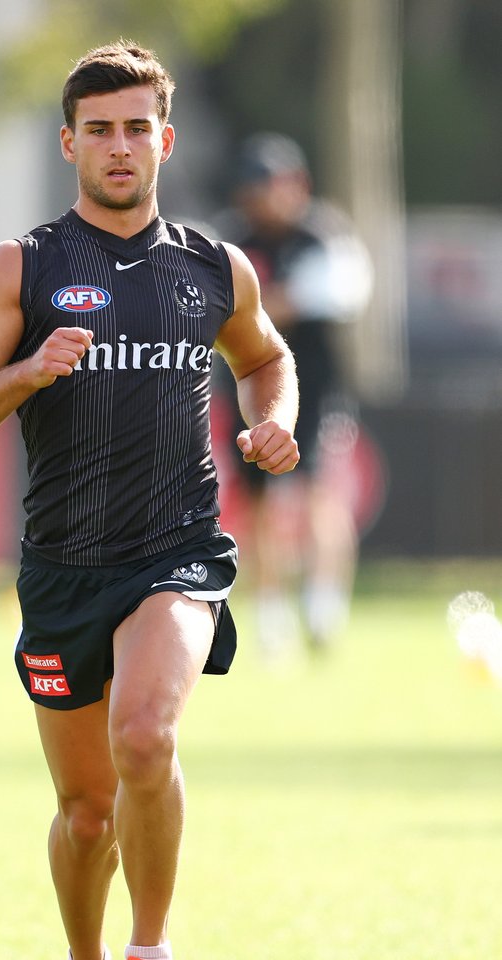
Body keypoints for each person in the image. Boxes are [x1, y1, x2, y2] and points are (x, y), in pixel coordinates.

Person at [0, 42, 299, 960]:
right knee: (86, 812)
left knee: (146, 736)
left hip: (177, 553)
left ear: (165, 140)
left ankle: (152, 959)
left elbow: (266, 355)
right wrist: (29, 369)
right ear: (70, 144)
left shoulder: (214, 267)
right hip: (62, 571)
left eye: (139, 128)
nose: (121, 146)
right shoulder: (24, 267)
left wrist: (274, 421)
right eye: (102, 130)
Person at [213, 133, 373, 658]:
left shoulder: (322, 238)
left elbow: (339, 291)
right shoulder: (231, 241)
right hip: (249, 388)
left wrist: (271, 304)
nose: (262, 198)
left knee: (320, 492)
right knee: (258, 502)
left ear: (296, 185)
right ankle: (273, 617)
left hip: (317, 388)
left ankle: (323, 609)